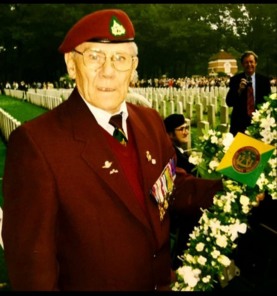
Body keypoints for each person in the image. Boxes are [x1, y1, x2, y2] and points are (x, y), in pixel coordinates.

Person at [2, 9, 223, 291]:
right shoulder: (37, 144)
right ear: (72, 64)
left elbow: (169, 189)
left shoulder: (150, 122)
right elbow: (32, 270)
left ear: (133, 68)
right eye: (94, 57)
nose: (108, 71)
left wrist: (230, 189)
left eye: (120, 59)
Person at [163, 114, 200, 270]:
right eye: (181, 129)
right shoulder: (173, 154)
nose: (186, 132)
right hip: (179, 207)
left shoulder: (179, 151)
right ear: (170, 134)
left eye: (187, 128)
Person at [226, 50, 271, 136]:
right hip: (239, 124)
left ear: (256, 63)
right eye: (246, 62)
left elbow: (267, 102)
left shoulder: (264, 81)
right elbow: (229, 102)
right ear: (242, 64)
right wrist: (238, 90)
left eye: (251, 62)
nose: (249, 65)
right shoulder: (235, 80)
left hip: (259, 123)